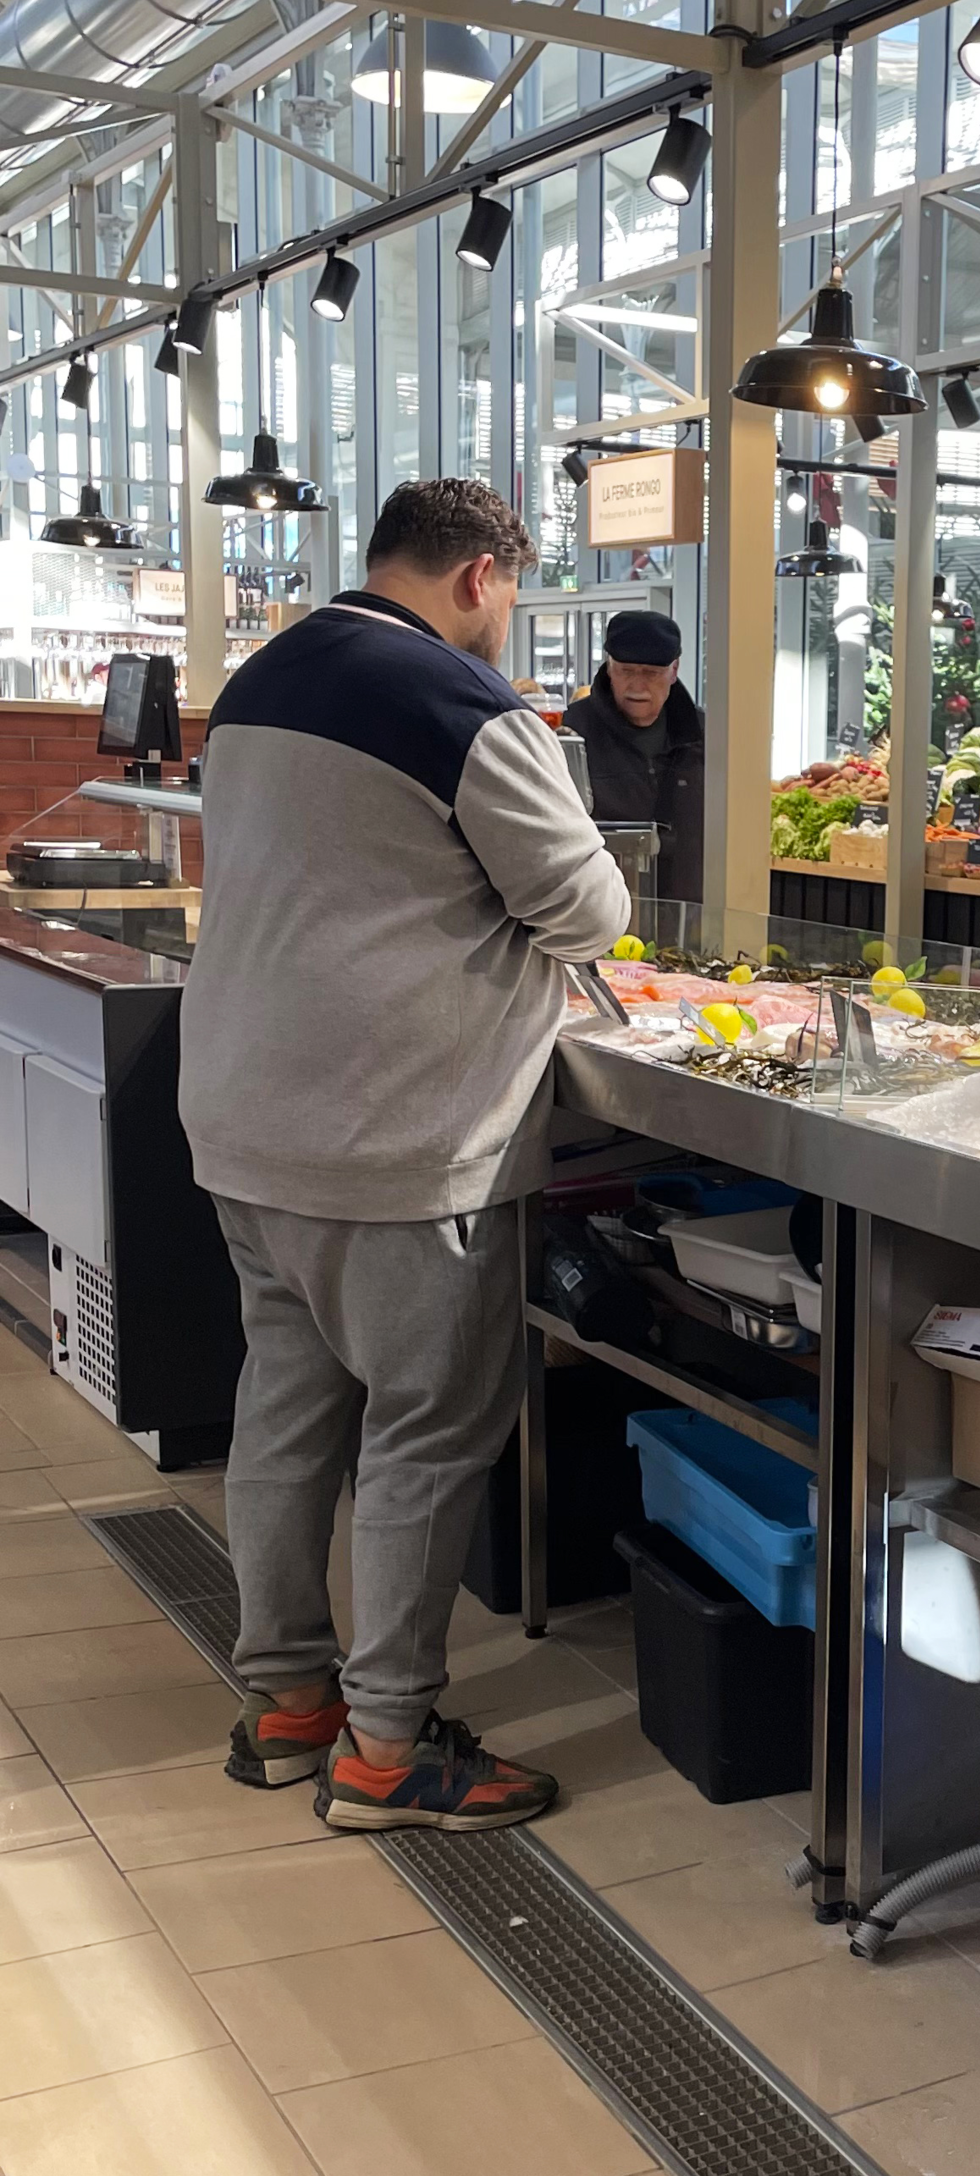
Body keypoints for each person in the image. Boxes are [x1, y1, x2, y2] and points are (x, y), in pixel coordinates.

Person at [178, 478, 630, 1831]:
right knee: (428, 1435)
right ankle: (387, 1747)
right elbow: (590, 907)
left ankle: (288, 1705)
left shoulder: (259, 679)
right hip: (393, 1142)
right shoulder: (459, 705)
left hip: (245, 1129)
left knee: (287, 1411)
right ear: (483, 576)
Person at [566, 606, 705, 898]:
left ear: (674, 671)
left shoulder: (708, 735)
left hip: (692, 913)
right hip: (600, 911)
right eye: (626, 671)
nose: (638, 686)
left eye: (652, 674)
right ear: (609, 667)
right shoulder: (570, 734)